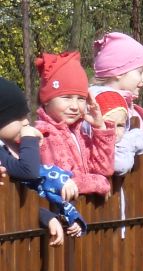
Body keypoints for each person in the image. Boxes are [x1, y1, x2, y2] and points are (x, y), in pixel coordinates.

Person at [0, 77, 82, 244]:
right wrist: (28, 138)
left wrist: (46, 216)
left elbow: (21, 195)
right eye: (18, 117)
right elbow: (29, 172)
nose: (25, 122)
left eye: (26, 116)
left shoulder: (7, 150)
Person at [33, 51, 115, 196]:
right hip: (60, 215)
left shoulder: (79, 133)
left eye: (81, 99)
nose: (75, 106)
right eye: (67, 97)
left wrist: (100, 127)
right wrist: (99, 183)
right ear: (46, 99)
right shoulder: (45, 134)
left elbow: (104, 168)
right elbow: (65, 180)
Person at [90, 31, 143, 175]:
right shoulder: (97, 107)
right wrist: (135, 139)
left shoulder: (131, 109)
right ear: (119, 71)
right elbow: (115, 158)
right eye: (140, 71)